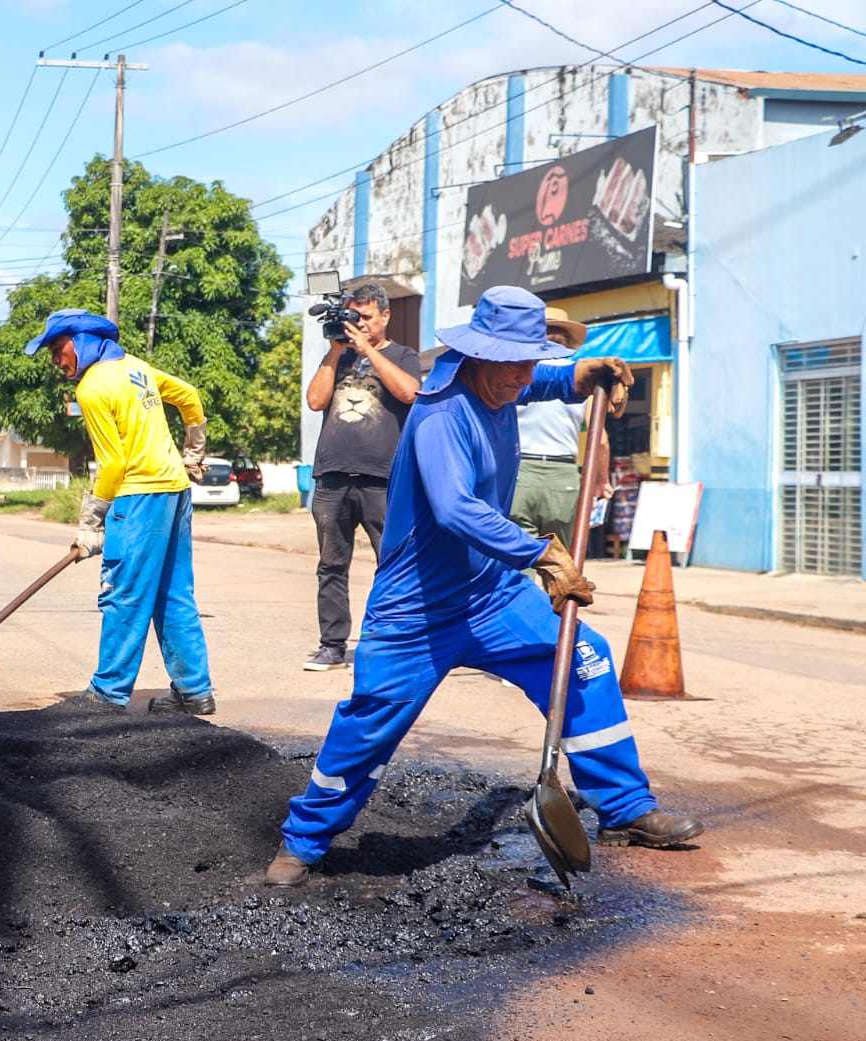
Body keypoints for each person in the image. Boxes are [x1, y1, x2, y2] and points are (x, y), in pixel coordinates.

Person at [264, 285, 702, 889]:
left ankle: (624, 808)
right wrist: (540, 555)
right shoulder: (442, 415)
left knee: (585, 659)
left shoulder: (500, 381)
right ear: (479, 357)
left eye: (531, 361)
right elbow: (454, 509)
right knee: (368, 722)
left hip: (491, 593)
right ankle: (304, 840)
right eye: (515, 362)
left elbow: (537, 381)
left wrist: (581, 374)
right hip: (416, 607)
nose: (524, 376)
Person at [23, 309, 215, 716]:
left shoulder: (92, 387)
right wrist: (194, 449)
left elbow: (112, 465)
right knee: (173, 594)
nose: (58, 362)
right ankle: (194, 690)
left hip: (138, 498)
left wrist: (91, 521)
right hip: (175, 492)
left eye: (59, 350)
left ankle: (107, 694)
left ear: (83, 340)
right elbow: (190, 397)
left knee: (124, 594)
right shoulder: (137, 368)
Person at [303, 282, 420, 672]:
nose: (360, 325)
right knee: (331, 565)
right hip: (333, 476)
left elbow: (409, 394)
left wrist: (368, 349)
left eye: (366, 317)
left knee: (393, 563)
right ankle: (332, 645)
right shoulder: (337, 358)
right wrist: (336, 352)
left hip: (382, 479)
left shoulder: (402, 355)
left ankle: (390, 642)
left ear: (385, 316)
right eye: (354, 317)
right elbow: (316, 401)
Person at [510, 307, 613, 551]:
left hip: (519, 473)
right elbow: (600, 440)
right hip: (563, 478)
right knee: (560, 564)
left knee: (518, 559)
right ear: (567, 343)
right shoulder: (582, 378)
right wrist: (601, 480)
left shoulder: (518, 374)